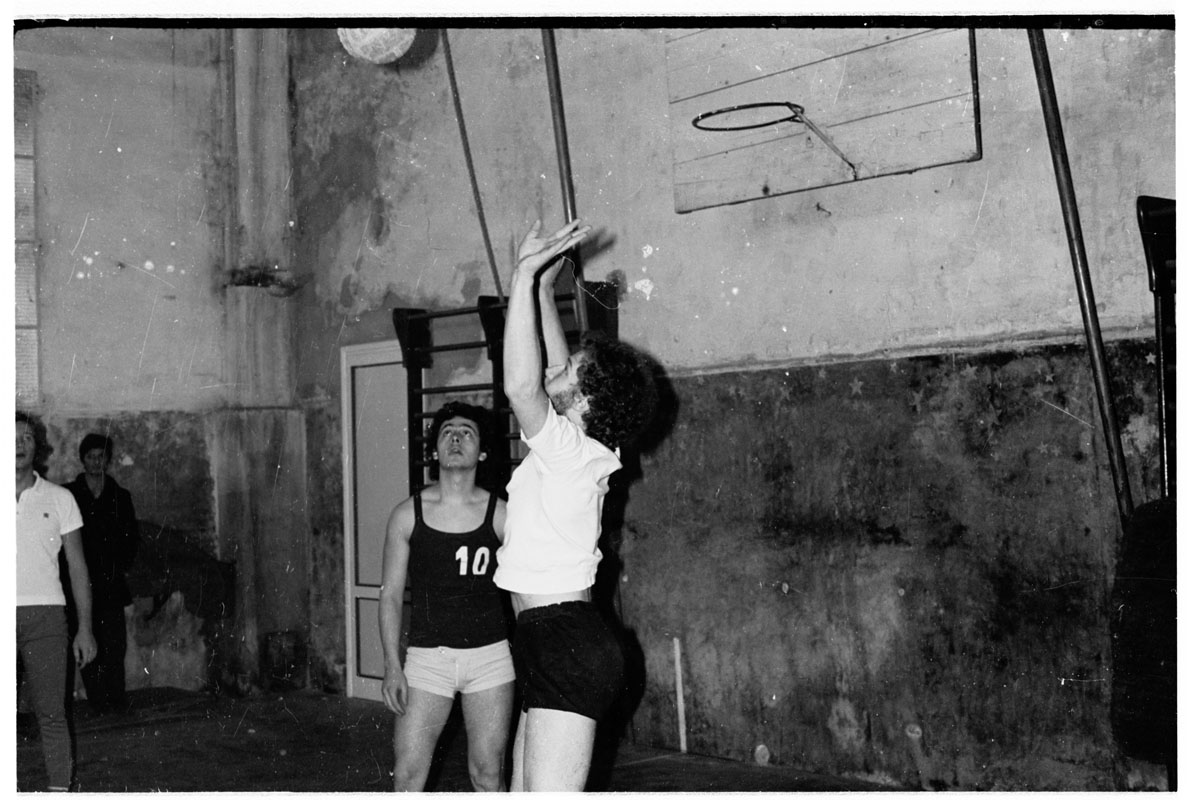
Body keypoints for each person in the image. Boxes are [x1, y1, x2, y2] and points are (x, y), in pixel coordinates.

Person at [493, 218, 658, 791]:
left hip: (565, 643)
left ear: (584, 401)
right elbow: (556, 367)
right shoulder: (587, 447)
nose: (553, 368)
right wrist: (543, 289)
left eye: (566, 373)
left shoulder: (569, 452)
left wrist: (521, 277)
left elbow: (521, 388)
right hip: (547, 640)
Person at [378, 401, 514, 791]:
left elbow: (524, 592)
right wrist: (392, 665)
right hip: (427, 661)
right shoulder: (406, 515)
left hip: (490, 659)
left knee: (487, 774)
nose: (456, 438)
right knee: (408, 775)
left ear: (482, 452)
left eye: (467, 432)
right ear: (435, 450)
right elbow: (390, 597)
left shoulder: (503, 515)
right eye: (447, 432)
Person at [16, 410, 97, 792]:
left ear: (38, 447)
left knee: (51, 713)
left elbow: (78, 568)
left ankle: (59, 790)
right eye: (10, 437)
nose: (18, 444)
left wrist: (85, 629)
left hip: (46, 619)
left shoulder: (61, 498)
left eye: (27, 437)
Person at [63, 433, 139, 714]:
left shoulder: (120, 496)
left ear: (107, 460)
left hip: (111, 584)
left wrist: (118, 568)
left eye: (101, 456)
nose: (96, 462)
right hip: (79, 585)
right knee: (87, 643)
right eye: (91, 457)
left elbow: (131, 539)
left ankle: (116, 701)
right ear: (82, 460)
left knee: (114, 645)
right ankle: (98, 703)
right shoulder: (69, 495)